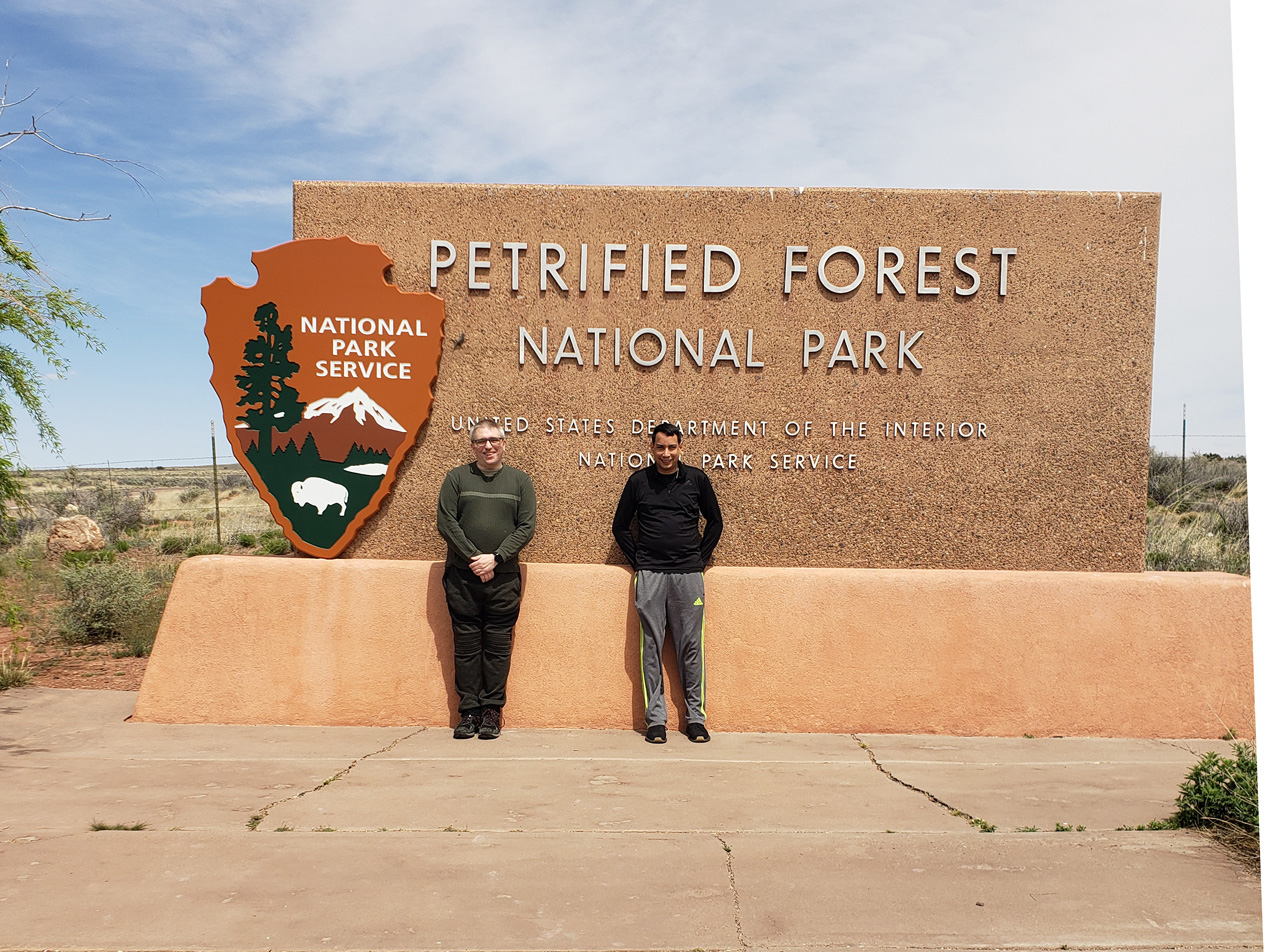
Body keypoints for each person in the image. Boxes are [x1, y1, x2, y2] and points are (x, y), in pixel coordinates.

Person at [611, 421, 723, 744]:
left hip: (689, 575)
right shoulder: (638, 482)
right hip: (651, 576)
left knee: (691, 648)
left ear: (680, 448)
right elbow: (619, 527)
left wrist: (700, 559)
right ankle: (656, 720)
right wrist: (639, 561)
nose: (666, 453)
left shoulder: (696, 480)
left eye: (672, 447)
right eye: (660, 447)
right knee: (651, 646)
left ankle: (695, 719)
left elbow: (715, 522)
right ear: (651, 448)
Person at [437, 419, 536, 739]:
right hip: (462, 579)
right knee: (465, 647)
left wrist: (495, 558)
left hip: (504, 578)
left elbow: (526, 527)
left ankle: (492, 712)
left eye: (494, 439)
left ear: (504, 443)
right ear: (473, 446)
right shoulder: (457, 478)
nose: (488, 446)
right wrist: (473, 558)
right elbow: (446, 523)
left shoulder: (521, 481)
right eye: (481, 441)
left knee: (497, 647)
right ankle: (468, 712)